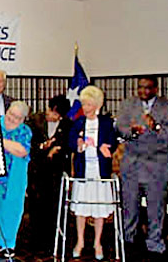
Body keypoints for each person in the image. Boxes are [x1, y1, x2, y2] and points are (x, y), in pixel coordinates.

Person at [116, 76, 168, 257]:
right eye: (140, 87)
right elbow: (119, 127)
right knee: (129, 206)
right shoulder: (127, 105)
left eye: (147, 88)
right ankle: (127, 239)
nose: (143, 91)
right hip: (132, 165)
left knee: (156, 208)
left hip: (157, 167)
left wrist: (156, 127)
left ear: (155, 89)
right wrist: (131, 131)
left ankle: (154, 242)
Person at [68, 85, 117, 261]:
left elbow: (113, 142)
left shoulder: (106, 123)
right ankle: (80, 241)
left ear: (97, 105)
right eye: (84, 104)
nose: (86, 108)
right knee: (80, 208)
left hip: (99, 172)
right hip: (83, 171)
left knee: (99, 209)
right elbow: (71, 143)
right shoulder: (78, 123)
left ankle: (97, 242)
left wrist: (104, 147)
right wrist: (79, 144)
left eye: (89, 104)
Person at [0, 101, 32, 259]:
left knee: (12, 210)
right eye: (11, 114)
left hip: (14, 177)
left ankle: (9, 245)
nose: (12, 119)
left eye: (17, 118)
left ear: (23, 119)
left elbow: (22, 151)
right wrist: (8, 144)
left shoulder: (25, 131)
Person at [26, 94, 72, 252]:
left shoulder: (67, 124)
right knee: (35, 205)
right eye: (49, 110)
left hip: (56, 172)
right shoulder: (35, 120)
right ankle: (34, 238)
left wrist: (57, 148)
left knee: (53, 204)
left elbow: (68, 144)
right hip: (37, 169)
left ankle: (53, 238)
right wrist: (42, 147)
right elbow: (28, 143)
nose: (50, 114)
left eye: (55, 113)